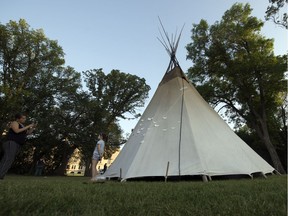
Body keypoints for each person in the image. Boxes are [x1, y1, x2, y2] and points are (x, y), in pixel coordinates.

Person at [0, 113, 36, 180]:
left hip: (17, 144)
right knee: (8, 159)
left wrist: (32, 128)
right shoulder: (15, 123)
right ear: (18, 119)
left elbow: (28, 133)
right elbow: (16, 131)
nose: (24, 119)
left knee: (9, 159)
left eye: (25, 118)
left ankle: (1, 175)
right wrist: (28, 126)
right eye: (23, 118)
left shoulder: (22, 126)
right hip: (11, 143)